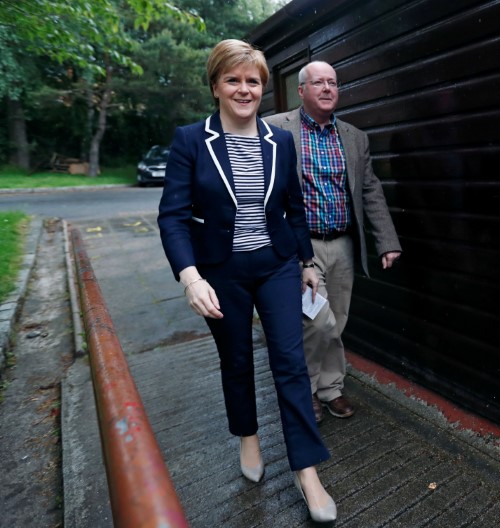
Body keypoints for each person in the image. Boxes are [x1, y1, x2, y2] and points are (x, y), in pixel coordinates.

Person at [157, 40, 335, 523]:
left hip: (276, 264)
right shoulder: (192, 140)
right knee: (236, 360)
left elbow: (293, 209)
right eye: (233, 79)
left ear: (264, 88)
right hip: (219, 271)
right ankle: (249, 438)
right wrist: (189, 277)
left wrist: (307, 263)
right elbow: (172, 217)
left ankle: (307, 469)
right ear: (215, 85)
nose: (244, 89)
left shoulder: (280, 141)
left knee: (290, 362)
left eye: (252, 81)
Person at [264, 61, 402, 423]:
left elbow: (370, 189)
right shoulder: (276, 128)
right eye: (319, 83)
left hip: (342, 244)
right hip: (300, 248)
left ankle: (331, 389)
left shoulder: (355, 137)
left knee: (336, 320)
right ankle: (305, 390)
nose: (327, 88)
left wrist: (386, 240)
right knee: (316, 321)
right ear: (302, 90)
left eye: (333, 83)